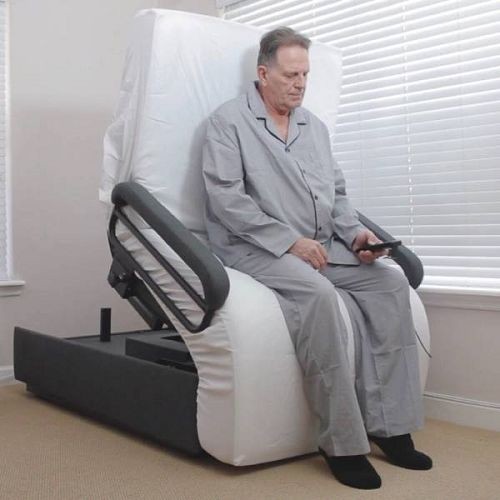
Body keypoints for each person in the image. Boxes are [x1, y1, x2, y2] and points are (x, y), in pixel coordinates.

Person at [202, 27, 432, 490]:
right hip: (255, 246)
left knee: (390, 284)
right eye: (291, 75)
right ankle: (342, 442)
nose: (300, 84)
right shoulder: (228, 123)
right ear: (263, 73)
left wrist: (357, 235)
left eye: (305, 75)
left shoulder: (314, 128)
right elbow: (227, 201)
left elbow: (337, 195)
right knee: (320, 295)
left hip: (322, 243)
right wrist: (290, 241)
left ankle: (390, 425)